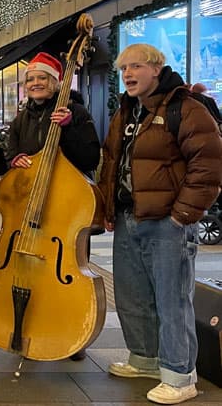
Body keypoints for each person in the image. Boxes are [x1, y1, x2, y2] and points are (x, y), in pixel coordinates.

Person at [98, 43, 222, 405]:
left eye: (135, 67)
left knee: (172, 302)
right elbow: (111, 161)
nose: (128, 75)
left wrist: (182, 214)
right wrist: (108, 206)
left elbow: (210, 164)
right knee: (133, 297)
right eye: (123, 70)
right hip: (127, 218)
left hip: (167, 222)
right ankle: (145, 359)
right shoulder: (127, 109)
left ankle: (179, 375)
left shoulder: (186, 108)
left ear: (156, 68)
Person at [4, 52, 101, 361]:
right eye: (30, 79)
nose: (35, 83)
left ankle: (73, 336)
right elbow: (13, 151)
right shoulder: (23, 117)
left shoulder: (76, 112)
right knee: (31, 276)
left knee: (68, 275)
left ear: (55, 82)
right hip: (31, 208)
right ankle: (30, 327)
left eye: (41, 78)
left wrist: (71, 127)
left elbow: (89, 159)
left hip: (64, 210)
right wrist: (13, 159)